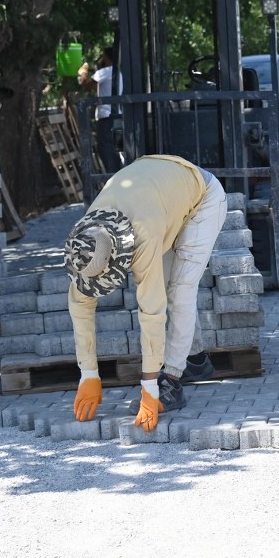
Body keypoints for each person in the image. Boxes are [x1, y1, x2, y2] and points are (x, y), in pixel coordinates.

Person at [64, 154, 227, 432]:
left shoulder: (142, 234)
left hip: (203, 197)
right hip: (162, 193)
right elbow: (80, 304)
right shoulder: (88, 237)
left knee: (179, 291)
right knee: (168, 286)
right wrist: (88, 374)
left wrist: (149, 388)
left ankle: (172, 382)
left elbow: (152, 310)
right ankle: (197, 361)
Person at [91, 46, 124, 174]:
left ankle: (111, 175)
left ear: (106, 57)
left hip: (106, 116)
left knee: (105, 147)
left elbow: (89, 84)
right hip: (118, 115)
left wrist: (82, 74)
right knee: (118, 147)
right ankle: (120, 173)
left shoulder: (105, 72)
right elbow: (100, 89)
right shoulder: (119, 72)